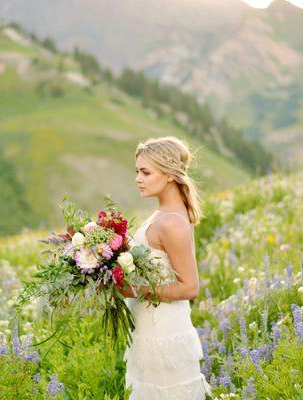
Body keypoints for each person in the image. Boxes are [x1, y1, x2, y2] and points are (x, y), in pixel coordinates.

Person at [116, 136, 212, 399]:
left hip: (164, 332)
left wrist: (137, 290)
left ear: (169, 174)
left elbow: (190, 287)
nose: (138, 178)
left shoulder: (171, 222)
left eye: (146, 172)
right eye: (138, 171)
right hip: (149, 326)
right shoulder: (163, 213)